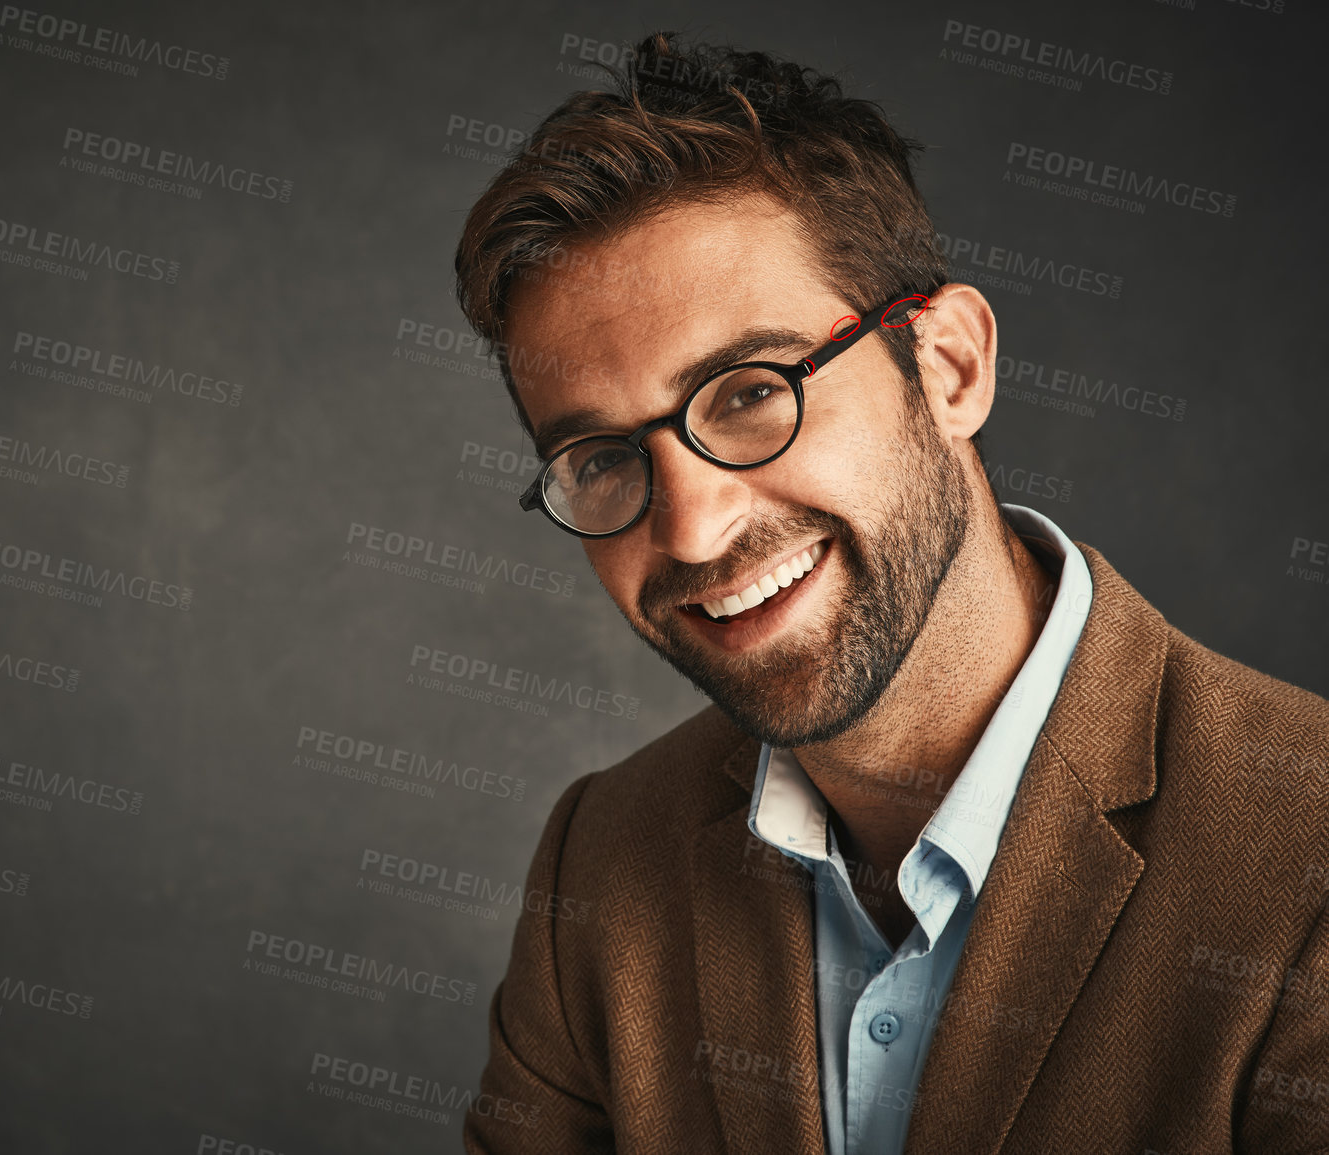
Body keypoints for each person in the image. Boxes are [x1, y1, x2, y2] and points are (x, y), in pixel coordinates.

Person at [450, 32, 1329, 1155]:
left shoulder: (1304, 861)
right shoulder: (604, 860)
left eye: (750, 392)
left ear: (950, 366)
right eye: (605, 460)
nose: (694, 526)